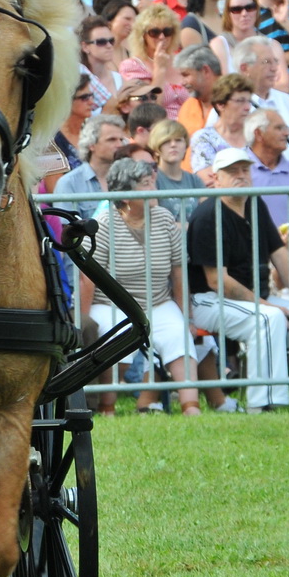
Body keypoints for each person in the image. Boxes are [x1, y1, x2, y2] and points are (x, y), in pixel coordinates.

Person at [186, 146, 289, 411]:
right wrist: (269, 305)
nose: (241, 175)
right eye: (232, 171)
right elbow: (217, 281)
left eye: (244, 169)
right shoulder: (207, 216)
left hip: (254, 297)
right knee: (269, 318)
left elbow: (280, 253)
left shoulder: (255, 203)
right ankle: (265, 404)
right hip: (207, 300)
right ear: (216, 178)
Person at [82, 155, 201, 417]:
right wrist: (82, 320)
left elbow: (179, 272)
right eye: (146, 184)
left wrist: (186, 316)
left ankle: (191, 408)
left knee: (178, 337)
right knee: (116, 341)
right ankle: (107, 407)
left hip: (158, 301)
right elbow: (87, 278)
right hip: (111, 304)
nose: (154, 189)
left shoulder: (165, 219)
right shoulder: (104, 225)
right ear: (125, 196)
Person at [188, 73, 253, 173]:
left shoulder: (257, 136)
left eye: (249, 101)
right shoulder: (204, 138)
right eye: (240, 101)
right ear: (220, 105)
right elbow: (209, 181)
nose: (247, 107)